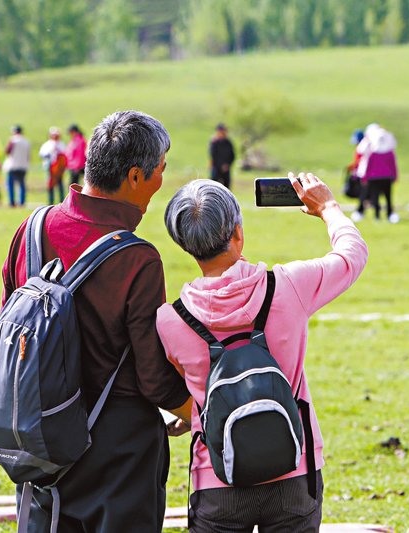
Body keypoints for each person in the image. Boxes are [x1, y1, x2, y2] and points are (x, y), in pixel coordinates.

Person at [1, 110, 192, 533]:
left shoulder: (31, 229)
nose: (163, 181)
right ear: (136, 177)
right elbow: (153, 378)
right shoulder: (137, 258)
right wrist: (199, 412)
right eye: (161, 170)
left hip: (38, 436)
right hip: (117, 449)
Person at [157, 175, 368, 533]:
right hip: (295, 469)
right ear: (238, 233)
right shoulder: (290, 285)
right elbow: (352, 254)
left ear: (185, 245)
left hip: (217, 478)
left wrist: (194, 414)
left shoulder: (169, 321)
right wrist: (328, 207)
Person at [351, 123, 399, 223]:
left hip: (373, 177)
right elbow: (393, 164)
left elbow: (367, 164)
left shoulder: (372, 152)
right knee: (387, 196)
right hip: (387, 176)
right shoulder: (389, 151)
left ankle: (377, 216)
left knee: (375, 196)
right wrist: (394, 175)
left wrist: (364, 176)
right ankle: (389, 214)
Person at [3, 125, 31, 208]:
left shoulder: (12, 140)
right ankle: (22, 202)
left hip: (13, 165)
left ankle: (12, 202)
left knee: (11, 185)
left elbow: (7, 151)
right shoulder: (26, 141)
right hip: (23, 165)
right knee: (22, 185)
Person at [39, 126, 67, 205]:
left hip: (59, 167)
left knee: (60, 184)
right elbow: (42, 154)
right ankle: (51, 201)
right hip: (50, 166)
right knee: (50, 184)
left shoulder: (61, 144)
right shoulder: (47, 145)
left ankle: (61, 200)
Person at [209, 123, 235, 188]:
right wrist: (221, 165)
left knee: (226, 187)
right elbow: (213, 155)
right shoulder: (215, 142)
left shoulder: (228, 143)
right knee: (214, 186)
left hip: (226, 169)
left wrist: (227, 164)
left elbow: (232, 155)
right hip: (216, 168)